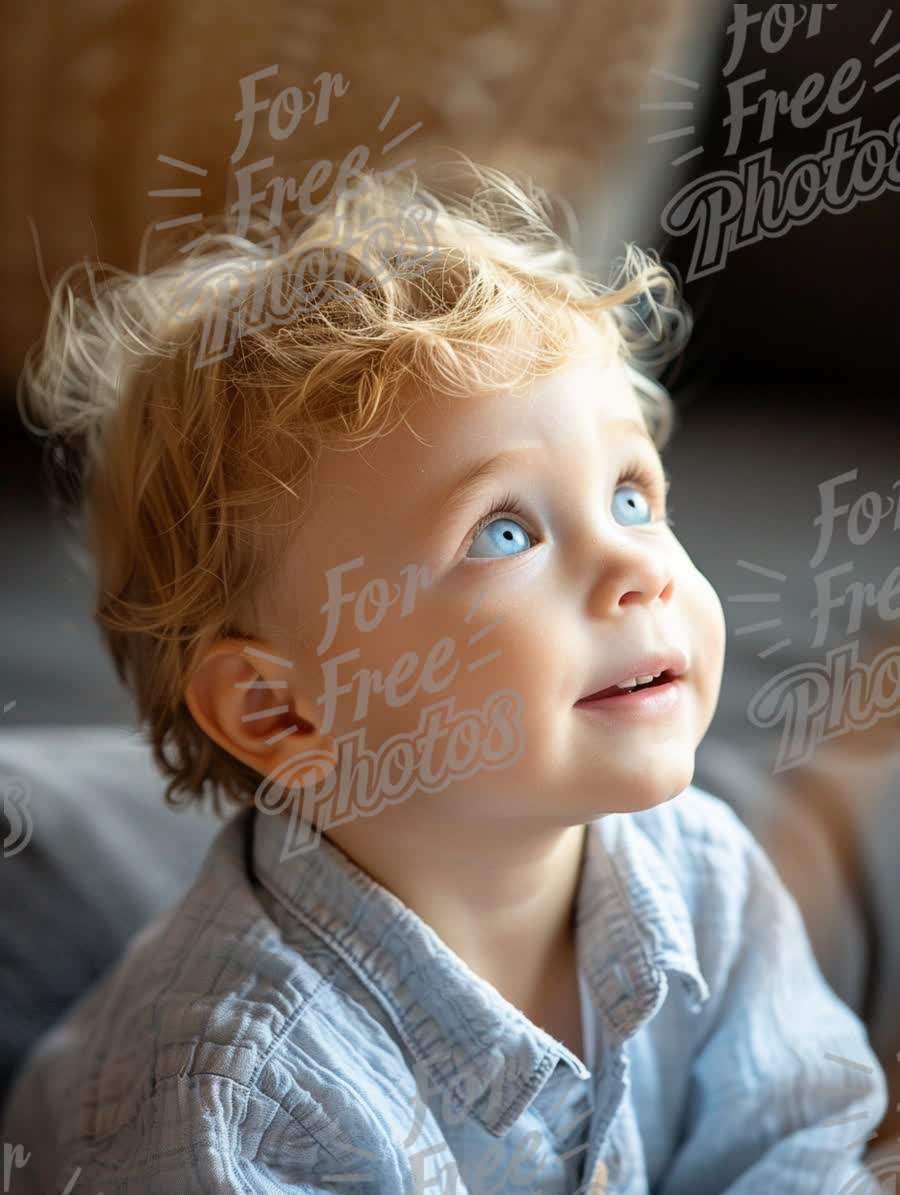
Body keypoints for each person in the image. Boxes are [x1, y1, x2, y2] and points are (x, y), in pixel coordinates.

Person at [1, 160, 888, 1194]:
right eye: (504, 530)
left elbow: (798, 1140)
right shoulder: (248, 1098)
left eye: (634, 498)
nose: (640, 568)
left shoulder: (705, 873)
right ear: (279, 706)